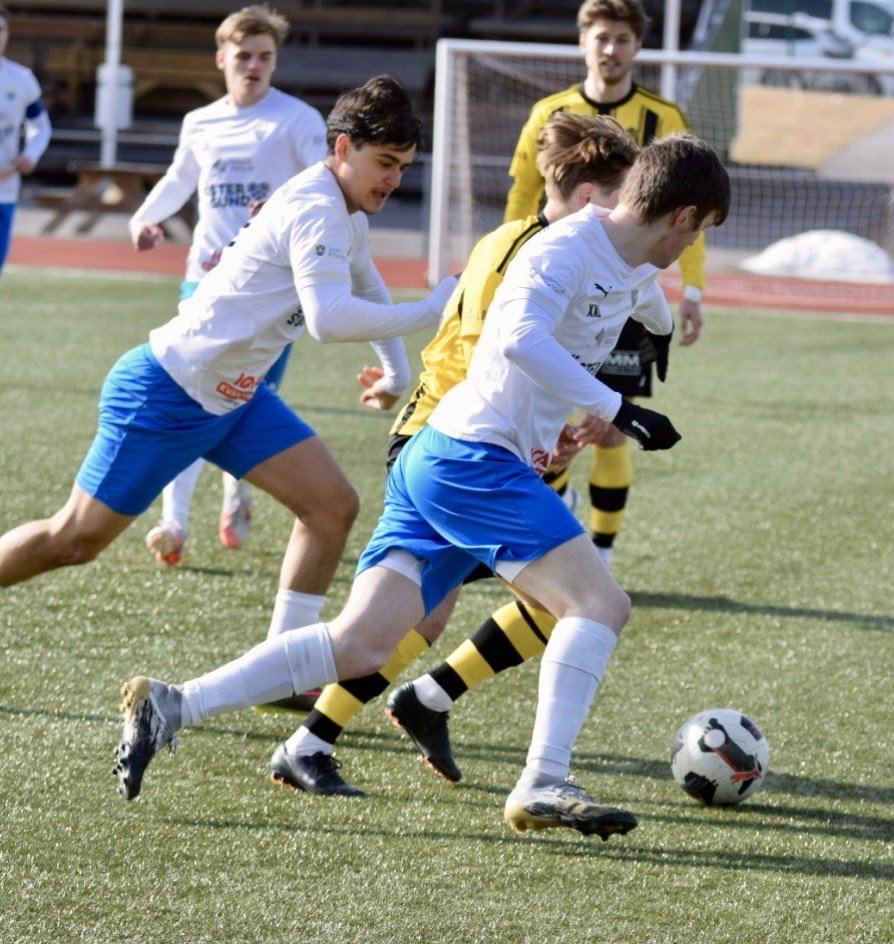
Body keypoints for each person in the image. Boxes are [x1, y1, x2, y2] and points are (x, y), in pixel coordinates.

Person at [113, 132, 731, 842]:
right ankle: (543, 779)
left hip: (450, 459)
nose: (693, 247)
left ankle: (173, 705)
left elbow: (641, 301)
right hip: (473, 458)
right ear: (682, 216)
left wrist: (659, 332)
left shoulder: (631, 261)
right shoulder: (561, 250)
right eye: (700, 231)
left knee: (361, 644)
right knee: (599, 605)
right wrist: (617, 407)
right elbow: (519, 340)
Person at [0, 70, 457, 686]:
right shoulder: (317, 207)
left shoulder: (342, 207)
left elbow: (367, 284)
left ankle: (284, 673)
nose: (394, 180)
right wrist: (432, 310)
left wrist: (397, 372)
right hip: (168, 391)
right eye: (385, 162)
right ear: (344, 147)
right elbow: (327, 319)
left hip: (235, 399)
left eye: (402, 167)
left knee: (331, 507)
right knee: (74, 540)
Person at [268, 111, 642, 797]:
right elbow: (489, 355)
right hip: (454, 443)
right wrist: (538, 430)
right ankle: (317, 733)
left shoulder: (547, 245)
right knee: (526, 604)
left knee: (554, 604)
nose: (627, 217)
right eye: (623, 199)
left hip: (491, 445)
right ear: (592, 194)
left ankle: (414, 704)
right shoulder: (530, 249)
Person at [506, 0, 705, 569]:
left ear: (637, 46)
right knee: (548, 420)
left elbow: (689, 217)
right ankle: (557, 515)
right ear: (583, 42)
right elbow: (522, 196)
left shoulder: (663, 116)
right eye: (602, 37)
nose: (611, 49)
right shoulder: (550, 113)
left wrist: (690, 290)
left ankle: (603, 551)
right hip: (561, 287)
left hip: (624, 291)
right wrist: (505, 258)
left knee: (611, 427)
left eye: (622, 39)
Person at [129, 4, 328, 566]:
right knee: (189, 397)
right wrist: (143, 218)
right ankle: (173, 522)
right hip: (204, 283)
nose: (254, 66)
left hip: (270, 293)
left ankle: (236, 492)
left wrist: (284, 213)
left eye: (265, 56)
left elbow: (325, 186)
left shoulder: (298, 120)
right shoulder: (201, 122)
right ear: (222, 59)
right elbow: (180, 179)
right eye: (244, 56)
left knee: (242, 402)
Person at [0, 2, 52, 274]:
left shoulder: (21, 79)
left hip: (4, 186)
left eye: (0, 29)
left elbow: (41, 126)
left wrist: (30, 155)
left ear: (8, 33)